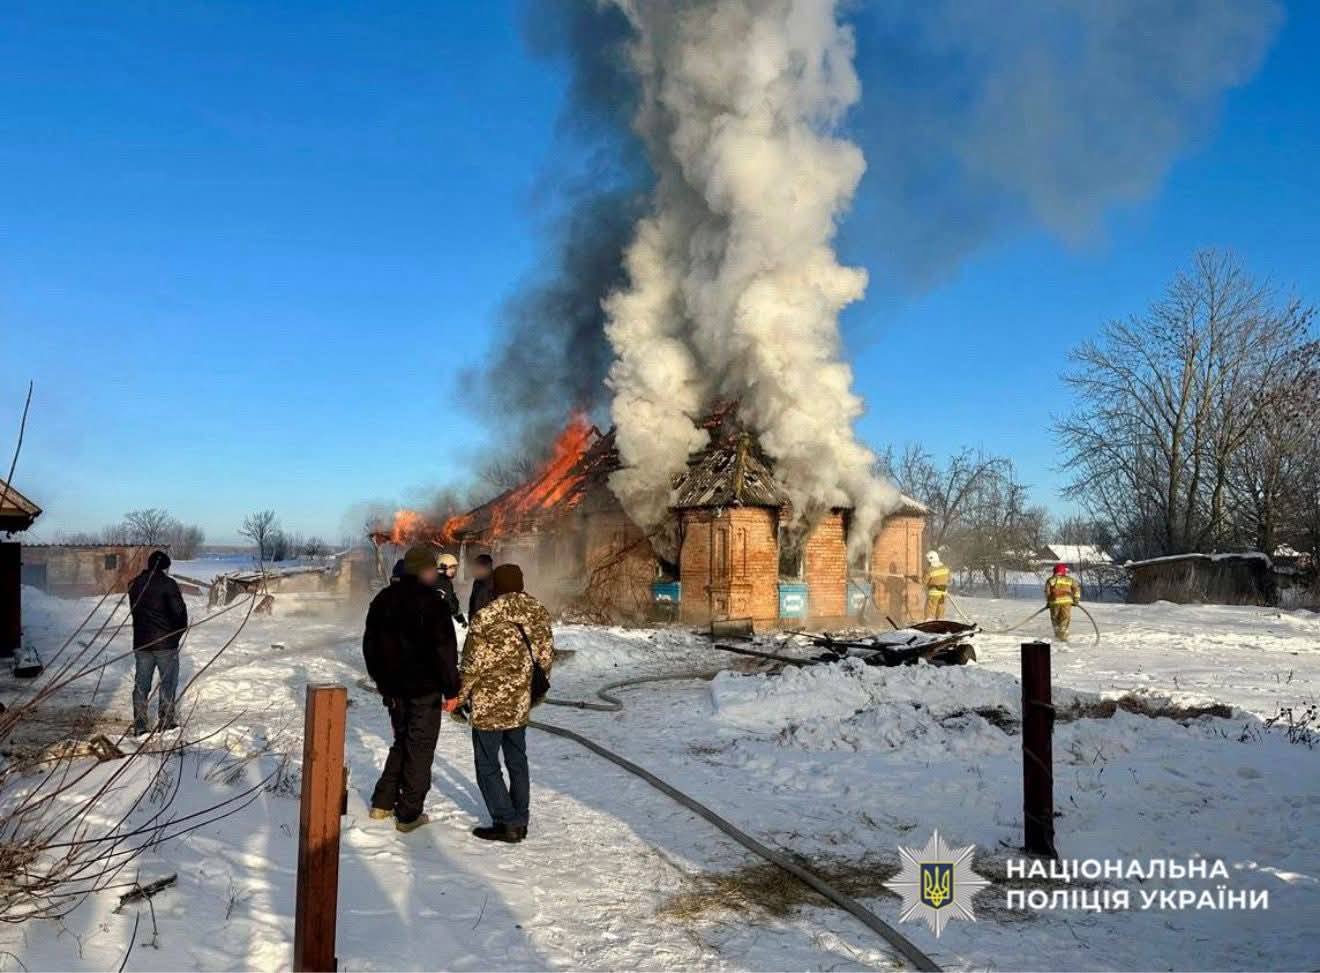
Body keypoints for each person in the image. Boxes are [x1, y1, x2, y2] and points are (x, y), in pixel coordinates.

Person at [445, 563, 553, 843]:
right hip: (519, 702)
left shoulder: (486, 616)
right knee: (518, 760)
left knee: (487, 764)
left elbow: (471, 665)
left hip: (488, 703)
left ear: (496, 586)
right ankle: (521, 817)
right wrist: (533, 692)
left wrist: (460, 697)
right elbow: (545, 658)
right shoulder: (538, 612)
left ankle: (506, 822)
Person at [362, 545, 461, 833]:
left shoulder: (383, 600)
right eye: (432, 569)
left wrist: (382, 682)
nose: (435, 573)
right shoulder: (432, 603)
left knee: (402, 740)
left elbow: (370, 648)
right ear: (423, 571)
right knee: (420, 748)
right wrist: (452, 690)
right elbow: (445, 652)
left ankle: (383, 802)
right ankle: (408, 814)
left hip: (394, 691)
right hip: (424, 691)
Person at [127, 550, 188, 736]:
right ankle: (166, 722)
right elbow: (179, 614)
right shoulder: (168, 585)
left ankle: (140, 726)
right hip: (165, 644)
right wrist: (175, 636)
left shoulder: (135, 584)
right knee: (167, 683)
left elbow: (135, 612)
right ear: (165, 566)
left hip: (142, 643)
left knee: (141, 685)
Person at [1045, 563, 1082, 641]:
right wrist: (1076, 600)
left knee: (1055, 618)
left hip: (1054, 602)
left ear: (1054, 572)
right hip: (1067, 602)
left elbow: (1047, 592)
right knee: (1065, 618)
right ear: (1064, 572)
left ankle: (1057, 633)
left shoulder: (1051, 580)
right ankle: (1063, 633)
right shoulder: (1070, 580)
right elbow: (1077, 589)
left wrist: (1048, 601)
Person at [434, 552, 465, 625]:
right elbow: (449, 603)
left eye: (454, 568)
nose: (453, 570)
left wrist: (460, 619)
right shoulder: (439, 582)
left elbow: (451, 601)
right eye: (451, 567)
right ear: (443, 567)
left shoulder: (445, 581)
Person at [923, 551, 951, 620]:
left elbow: (924, 581)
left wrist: (915, 579)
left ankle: (928, 623)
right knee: (940, 609)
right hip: (943, 594)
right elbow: (949, 580)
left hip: (933, 594)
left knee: (930, 610)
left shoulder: (929, 570)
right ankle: (940, 623)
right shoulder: (946, 568)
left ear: (930, 560)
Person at [468, 553, 497, 619]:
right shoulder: (477, 581)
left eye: (478, 567)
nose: (476, 569)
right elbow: (472, 603)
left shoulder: (496, 581)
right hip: (477, 622)